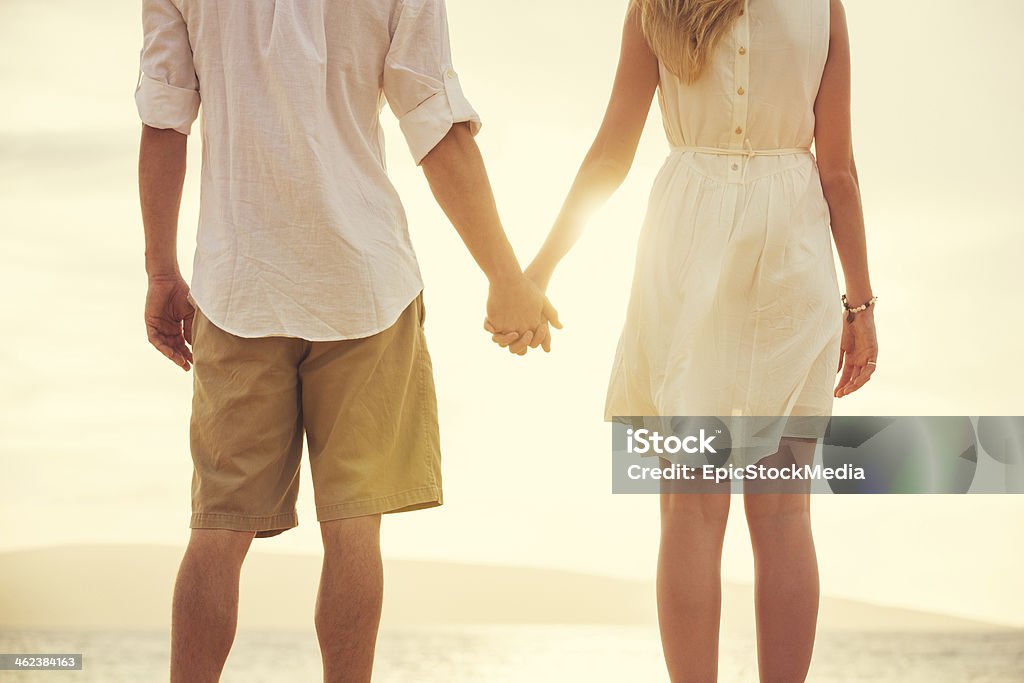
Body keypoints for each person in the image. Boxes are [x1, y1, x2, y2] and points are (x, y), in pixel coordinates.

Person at [135, 0, 557, 680]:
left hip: (241, 284)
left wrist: (160, 268)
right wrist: (507, 277)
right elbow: (433, 119)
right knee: (354, 528)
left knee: (217, 530)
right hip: (365, 285)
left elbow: (163, 115)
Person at [486, 0, 878, 680]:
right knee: (784, 511)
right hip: (792, 246)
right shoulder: (823, 8)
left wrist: (540, 268)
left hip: (684, 238)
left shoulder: (658, 5)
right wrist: (861, 302)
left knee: (690, 512)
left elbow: (613, 149)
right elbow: (837, 170)